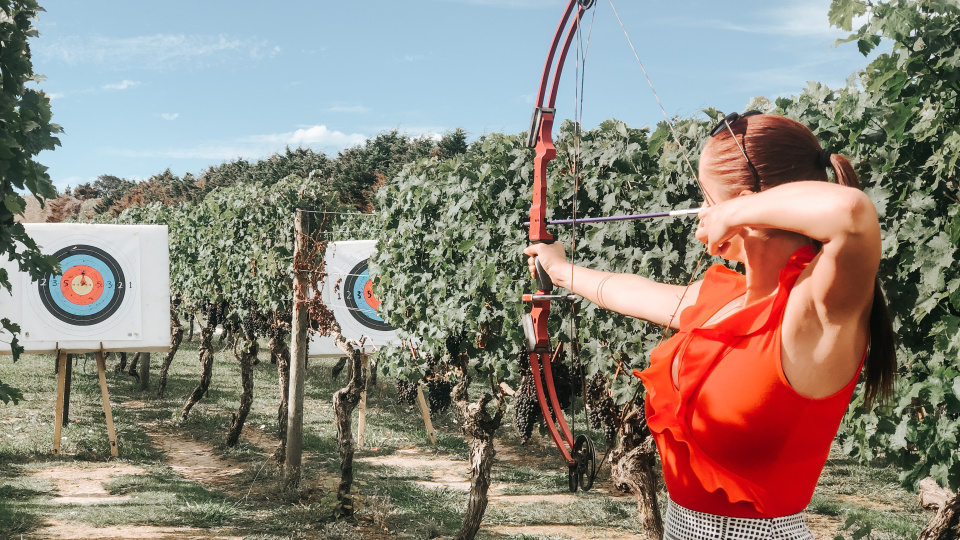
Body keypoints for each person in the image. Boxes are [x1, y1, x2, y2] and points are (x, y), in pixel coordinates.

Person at [523, 112, 896, 540]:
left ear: (744, 202)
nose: (701, 212)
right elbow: (628, 291)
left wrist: (736, 209)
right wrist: (560, 269)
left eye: (706, 198)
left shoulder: (816, 310)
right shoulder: (724, 297)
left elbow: (852, 212)